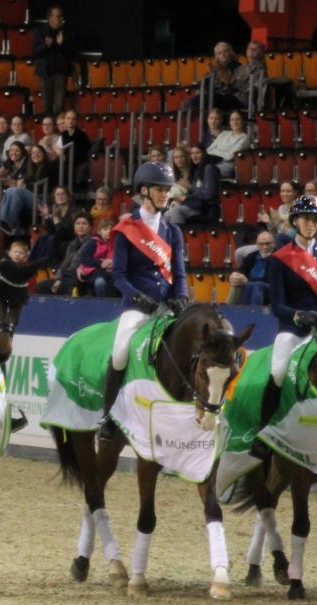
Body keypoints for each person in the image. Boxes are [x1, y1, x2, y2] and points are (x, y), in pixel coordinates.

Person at [97, 161, 188, 441]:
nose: (165, 195)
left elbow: (180, 273)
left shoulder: (172, 231)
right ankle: (109, 415)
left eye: (167, 190)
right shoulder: (126, 228)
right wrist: (137, 296)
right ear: (145, 191)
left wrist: (181, 298)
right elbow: (119, 276)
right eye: (160, 190)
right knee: (122, 349)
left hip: (166, 306)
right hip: (137, 306)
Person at [256, 195, 317, 444]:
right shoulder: (280, 257)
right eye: (307, 219)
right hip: (293, 328)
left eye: (316, 220)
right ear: (295, 221)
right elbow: (277, 305)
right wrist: (299, 315)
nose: (311, 224)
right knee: (277, 371)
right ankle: (263, 432)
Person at [32, 5, 74, 116]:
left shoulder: (67, 31)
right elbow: (35, 52)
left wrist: (61, 45)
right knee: (46, 106)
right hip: (45, 73)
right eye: (58, 16)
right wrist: (47, 45)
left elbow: (71, 53)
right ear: (49, 17)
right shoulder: (40, 31)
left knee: (60, 106)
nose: (61, 19)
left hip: (60, 73)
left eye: (62, 16)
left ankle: (60, 131)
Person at [164, 143, 220, 225]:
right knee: (166, 214)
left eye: (198, 153)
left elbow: (208, 194)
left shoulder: (209, 168)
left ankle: (179, 236)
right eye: (192, 154)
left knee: (174, 212)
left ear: (204, 154)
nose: (194, 156)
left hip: (205, 208)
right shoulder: (197, 170)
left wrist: (189, 190)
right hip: (194, 204)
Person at [229, 230, 276, 305]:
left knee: (256, 285)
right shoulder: (251, 256)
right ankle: (231, 311)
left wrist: (247, 281)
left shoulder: (278, 258)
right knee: (237, 282)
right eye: (261, 244)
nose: (265, 247)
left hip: (270, 289)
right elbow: (242, 270)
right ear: (257, 245)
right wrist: (236, 275)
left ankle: (254, 312)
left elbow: (273, 281)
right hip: (250, 285)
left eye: (268, 244)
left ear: (273, 244)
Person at [76, 215, 115, 297]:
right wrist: (100, 263)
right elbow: (84, 258)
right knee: (100, 282)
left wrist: (112, 263)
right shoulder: (93, 242)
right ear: (99, 231)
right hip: (93, 271)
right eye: (105, 229)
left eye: (111, 229)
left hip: (109, 272)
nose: (108, 231)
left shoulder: (115, 244)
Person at [207, 109, 249, 179]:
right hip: (214, 162)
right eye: (232, 120)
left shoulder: (244, 138)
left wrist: (216, 150)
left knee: (208, 169)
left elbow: (229, 156)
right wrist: (224, 152)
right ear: (229, 122)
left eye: (237, 119)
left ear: (242, 121)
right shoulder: (224, 133)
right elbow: (208, 150)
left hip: (228, 166)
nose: (235, 122)